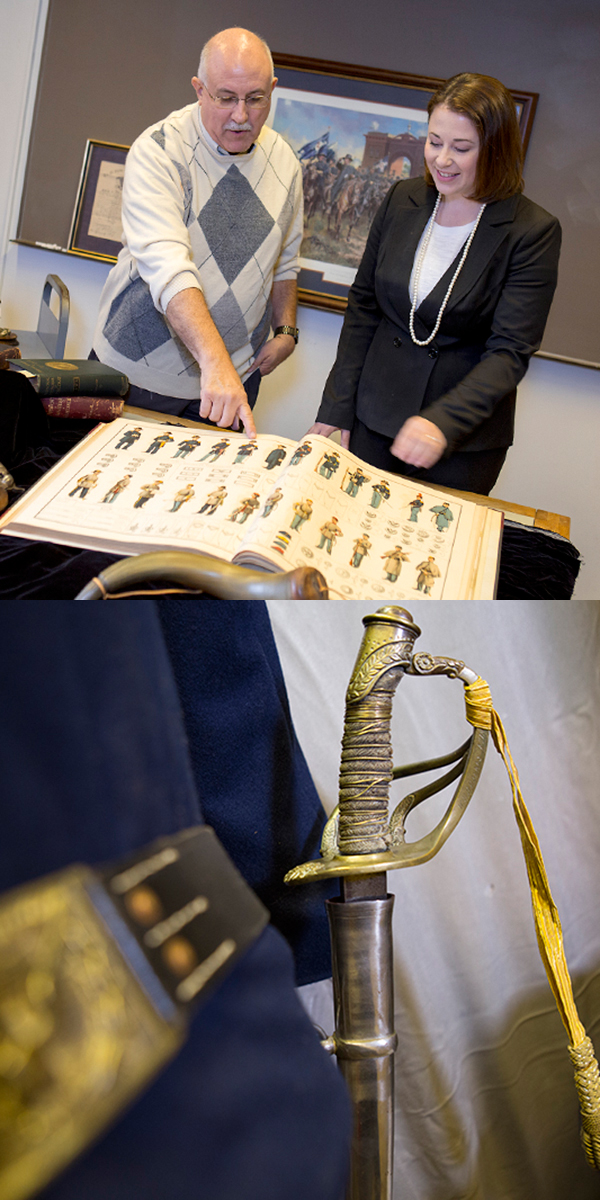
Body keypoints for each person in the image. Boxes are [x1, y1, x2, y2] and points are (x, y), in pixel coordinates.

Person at [309, 73, 562, 496]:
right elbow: (364, 306)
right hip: (373, 418)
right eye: (434, 141)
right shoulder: (401, 199)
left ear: (495, 151)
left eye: (461, 148)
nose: (442, 159)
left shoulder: (532, 230)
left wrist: (441, 423)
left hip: (461, 445)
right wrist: (338, 404)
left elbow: (510, 352)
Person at [92, 28, 302, 436]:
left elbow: (286, 260)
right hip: (139, 377)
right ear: (199, 90)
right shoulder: (159, 152)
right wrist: (214, 361)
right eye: (225, 98)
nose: (241, 115)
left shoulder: (286, 163)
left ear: (272, 90)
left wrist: (287, 329)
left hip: (232, 381)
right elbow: (170, 269)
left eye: (256, 99)